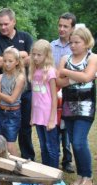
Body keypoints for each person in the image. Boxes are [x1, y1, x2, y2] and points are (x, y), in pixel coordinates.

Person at [0, 8, 35, 160]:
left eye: (6, 24)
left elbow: (32, 58)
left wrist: (12, 58)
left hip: (26, 90)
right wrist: (21, 55)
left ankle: (28, 158)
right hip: (5, 91)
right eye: (0, 24)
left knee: (25, 128)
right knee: (5, 133)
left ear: (14, 22)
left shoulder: (25, 37)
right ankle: (6, 160)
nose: (3, 27)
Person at [57, 27, 97, 185]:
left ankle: (88, 177)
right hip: (68, 107)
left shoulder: (93, 57)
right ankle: (80, 175)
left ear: (86, 42)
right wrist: (78, 76)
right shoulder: (66, 58)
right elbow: (59, 82)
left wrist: (67, 72)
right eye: (71, 42)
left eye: (76, 42)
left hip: (86, 107)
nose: (72, 45)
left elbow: (87, 77)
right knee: (74, 142)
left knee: (80, 142)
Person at [51, 12, 77, 173]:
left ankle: (67, 160)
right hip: (53, 90)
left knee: (66, 126)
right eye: (60, 25)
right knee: (54, 124)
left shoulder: (76, 46)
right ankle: (54, 157)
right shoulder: (51, 46)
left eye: (65, 26)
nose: (61, 29)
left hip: (70, 91)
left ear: (72, 28)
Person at [0, 47, 25, 156]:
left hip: (13, 113)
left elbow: (11, 99)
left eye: (10, 61)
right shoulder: (0, 77)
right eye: (5, 61)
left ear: (17, 62)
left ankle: (17, 166)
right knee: (2, 143)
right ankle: (6, 167)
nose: (7, 64)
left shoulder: (20, 77)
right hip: (1, 113)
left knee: (10, 145)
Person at [29, 39, 58, 168]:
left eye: (39, 55)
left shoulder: (50, 71)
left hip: (48, 115)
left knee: (51, 146)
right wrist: (31, 116)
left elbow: (54, 97)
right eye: (33, 54)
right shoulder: (34, 70)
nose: (35, 57)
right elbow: (34, 97)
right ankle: (45, 172)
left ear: (46, 55)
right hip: (38, 114)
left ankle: (54, 174)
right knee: (42, 145)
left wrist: (52, 119)